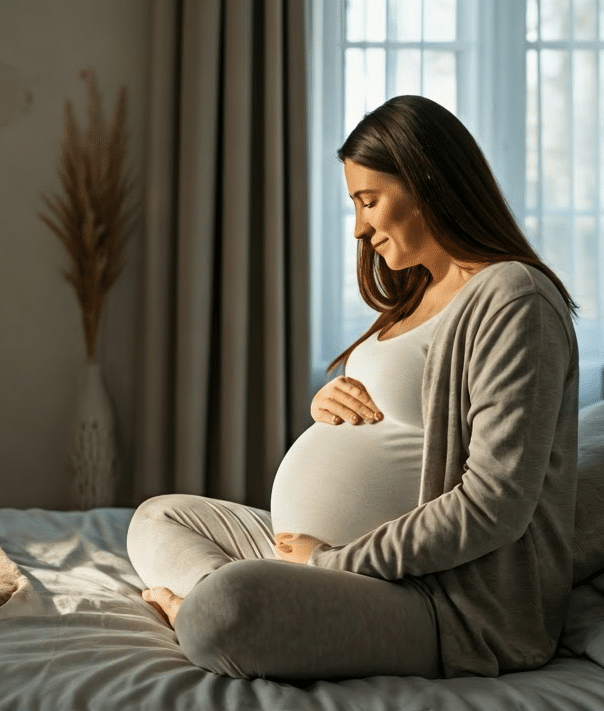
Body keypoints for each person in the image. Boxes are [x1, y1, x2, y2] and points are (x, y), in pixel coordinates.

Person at [126, 95, 579, 682]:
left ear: (428, 182)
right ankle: (260, 596)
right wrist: (329, 401)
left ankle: (212, 611)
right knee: (156, 515)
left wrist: (330, 562)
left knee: (229, 610)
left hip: (437, 601)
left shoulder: (513, 298)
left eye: (369, 201)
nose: (361, 229)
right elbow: (404, 407)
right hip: (318, 558)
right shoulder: (417, 293)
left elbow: (494, 507)